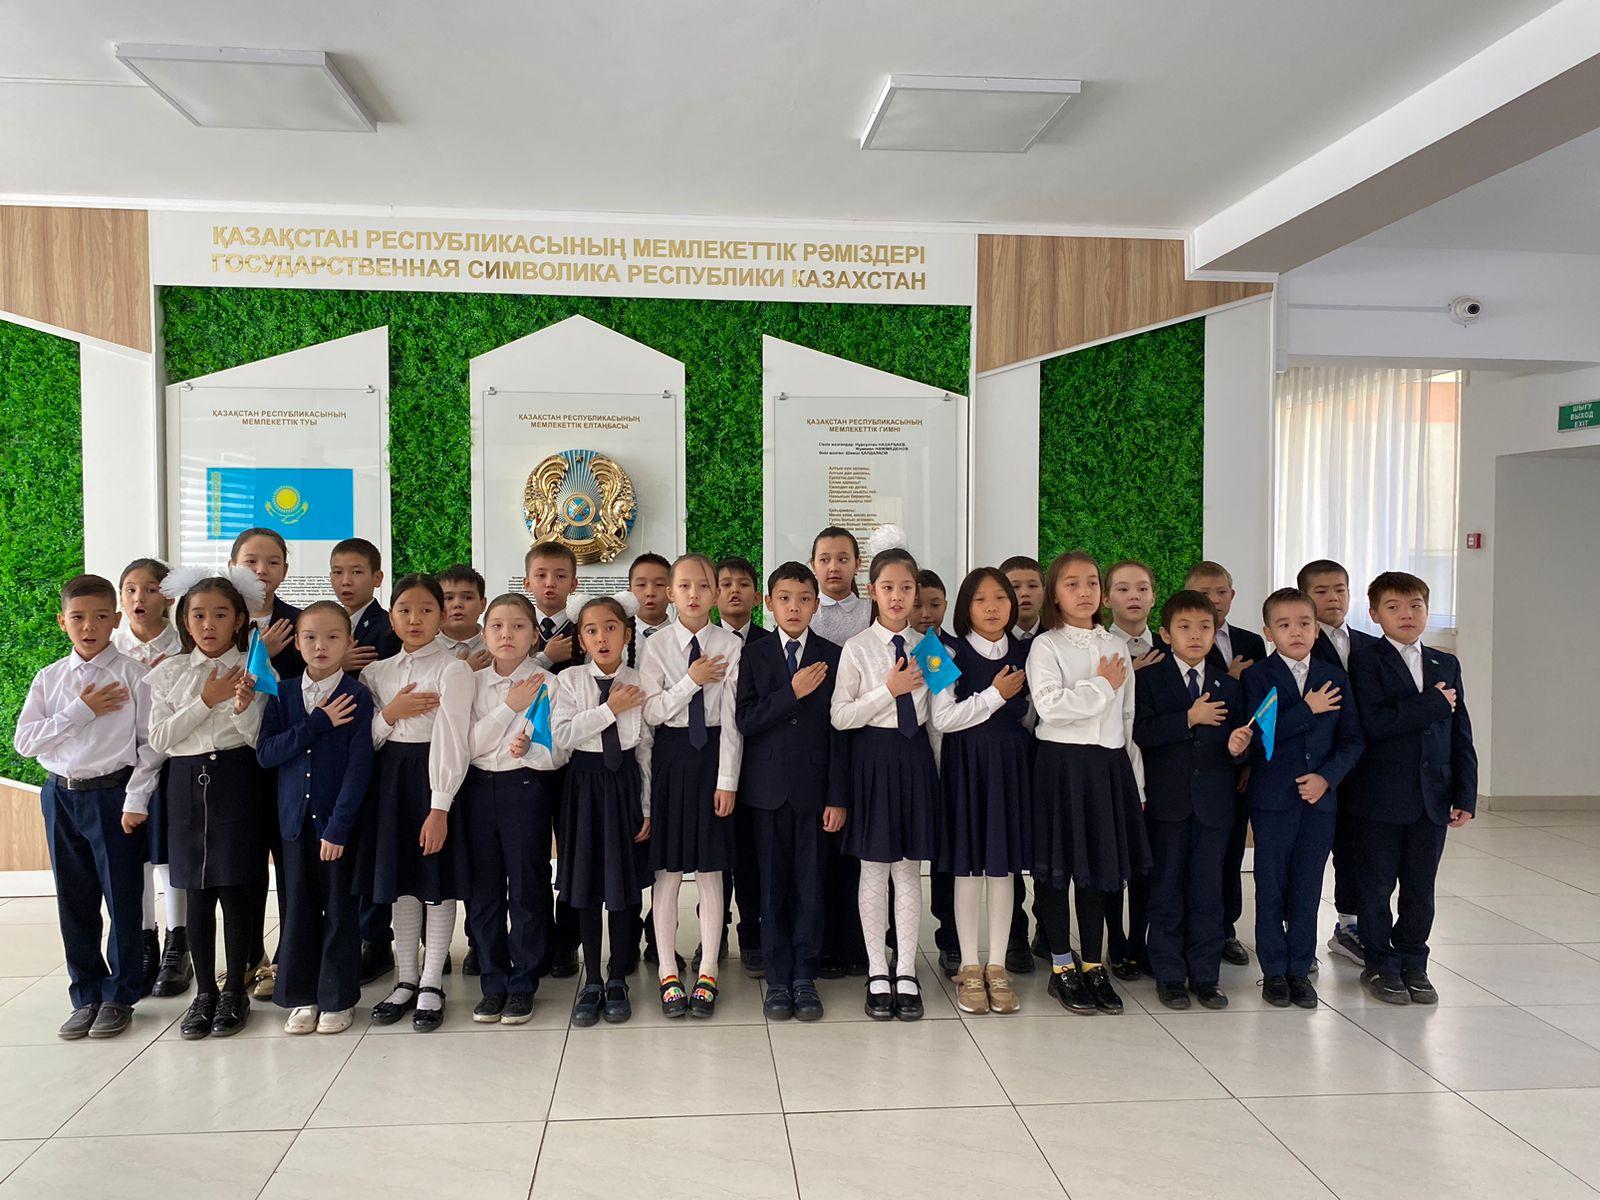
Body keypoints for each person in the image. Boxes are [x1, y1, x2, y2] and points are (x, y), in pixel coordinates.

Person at [14, 574, 162, 1040]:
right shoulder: (50, 679)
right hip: (60, 795)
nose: (89, 626)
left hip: (113, 797)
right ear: (62, 622)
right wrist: (81, 710)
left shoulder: (135, 676)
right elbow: (25, 742)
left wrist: (136, 799)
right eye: (78, 617)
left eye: (100, 616)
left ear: (116, 619)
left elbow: (151, 747)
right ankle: (86, 994)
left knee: (122, 897)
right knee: (73, 899)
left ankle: (120, 995)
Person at [146, 568, 270, 1039]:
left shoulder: (256, 669)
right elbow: (161, 738)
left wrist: (240, 707)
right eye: (198, 615)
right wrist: (205, 699)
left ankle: (235, 989)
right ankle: (203, 994)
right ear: (185, 620)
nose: (209, 624)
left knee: (237, 888)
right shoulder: (171, 672)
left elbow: (258, 740)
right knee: (195, 891)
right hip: (184, 783)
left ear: (239, 620)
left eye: (220, 614)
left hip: (238, 779)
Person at [1345, 572, 1477, 1005]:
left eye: (1416, 605)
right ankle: (1379, 964)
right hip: (1379, 797)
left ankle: (1413, 962)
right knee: (1377, 885)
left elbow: (1460, 733)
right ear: (1374, 614)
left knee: (1421, 887)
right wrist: (1432, 703)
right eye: (1394, 607)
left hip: (1432, 797)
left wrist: (1465, 793)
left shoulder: (1445, 663)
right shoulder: (1366, 661)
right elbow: (1375, 723)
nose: (1407, 614)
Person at [1029, 551, 1148, 1016]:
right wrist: (1100, 685)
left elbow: (1127, 717)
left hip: (1107, 768)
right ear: (1055, 595)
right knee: (1058, 870)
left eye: (1092, 583)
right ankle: (1062, 964)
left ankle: (1095, 964)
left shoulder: (1115, 645)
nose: (1084, 592)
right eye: (1072, 584)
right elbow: (1050, 706)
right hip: (1062, 767)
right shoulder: (1047, 645)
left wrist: (1135, 783)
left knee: (1098, 870)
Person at [354, 574, 474, 1032]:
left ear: (441, 616)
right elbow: (363, 741)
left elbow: (454, 738)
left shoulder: (452, 669)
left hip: (434, 778)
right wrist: (391, 713)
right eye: (404, 610)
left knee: (434, 880)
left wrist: (440, 805)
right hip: (390, 782)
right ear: (391, 617)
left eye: (426, 610)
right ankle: (405, 978)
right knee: (401, 880)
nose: (415, 619)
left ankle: (431, 981)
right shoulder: (375, 673)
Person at [830, 535, 939, 1021]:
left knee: (909, 869)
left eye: (906, 588)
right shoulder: (856, 648)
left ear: (917, 592)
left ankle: (907, 969)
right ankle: (878, 968)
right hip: (872, 760)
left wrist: (941, 775)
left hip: (915, 761)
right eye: (888, 587)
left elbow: (940, 721)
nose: (897, 596)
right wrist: (888, 690)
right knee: (874, 868)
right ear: (872, 591)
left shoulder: (931, 650)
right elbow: (840, 716)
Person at [735, 562, 848, 1021]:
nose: (794, 607)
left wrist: (837, 796)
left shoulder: (833, 654)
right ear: (769, 603)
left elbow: (840, 732)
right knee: (771, 888)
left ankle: (805, 975)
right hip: (765, 794)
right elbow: (745, 720)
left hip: (815, 794)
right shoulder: (754, 654)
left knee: (810, 887)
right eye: (784, 598)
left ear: (816, 604)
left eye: (803, 599)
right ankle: (778, 977)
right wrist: (792, 693)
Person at [254, 601, 374, 1034]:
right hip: (293, 823)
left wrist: (339, 826)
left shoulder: (357, 695)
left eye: (332, 637)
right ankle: (301, 995)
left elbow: (359, 768)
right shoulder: (282, 692)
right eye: (310, 637)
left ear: (349, 642)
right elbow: (266, 753)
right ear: (298, 644)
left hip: (338, 825)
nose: (320, 645)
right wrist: (317, 722)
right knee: (298, 908)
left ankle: (338, 998)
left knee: (340, 909)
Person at [1242, 587, 1365, 1009]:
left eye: (1304, 624)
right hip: (1272, 799)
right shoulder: (1258, 677)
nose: (1295, 632)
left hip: (1319, 802)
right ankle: (1274, 971)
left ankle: (1299, 969)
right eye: (1284, 625)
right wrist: (1307, 710)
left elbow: (1352, 740)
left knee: (1308, 887)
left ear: (1316, 630)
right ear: (1268, 632)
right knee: (1270, 886)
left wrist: (1326, 779)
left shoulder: (1334, 677)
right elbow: (1259, 739)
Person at [1133, 591, 1251, 1011]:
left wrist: (1239, 749)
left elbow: (1244, 744)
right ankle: (1169, 975)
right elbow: (1140, 733)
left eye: (1204, 627)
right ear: (1165, 634)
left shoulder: (1229, 686)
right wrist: (1187, 718)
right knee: (1166, 890)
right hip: (1166, 805)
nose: (1195, 635)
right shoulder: (1148, 680)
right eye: (1184, 627)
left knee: (1208, 892)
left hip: (1214, 807)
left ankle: (1206, 976)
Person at [640, 553, 743, 1018]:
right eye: (684, 586)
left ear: (716, 593)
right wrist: (691, 681)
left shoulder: (731, 644)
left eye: (703, 586)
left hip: (713, 757)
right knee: (666, 871)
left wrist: (727, 780)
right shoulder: (656, 646)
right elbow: (651, 710)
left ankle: (708, 971)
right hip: (671, 758)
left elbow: (734, 720)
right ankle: (667, 970)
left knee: (709, 869)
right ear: (670, 594)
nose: (694, 594)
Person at [931, 567, 1032, 1015]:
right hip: (965, 768)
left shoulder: (1030, 650)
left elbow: (1032, 715)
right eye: (980, 599)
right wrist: (994, 695)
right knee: (967, 868)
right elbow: (942, 718)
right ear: (965, 607)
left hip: (1011, 768)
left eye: (1001, 598)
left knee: (1003, 868)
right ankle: (969, 965)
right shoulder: (938, 651)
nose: (992, 607)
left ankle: (998, 966)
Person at [552, 594, 653, 1027]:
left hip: (624, 783)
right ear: (581, 640)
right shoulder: (569, 681)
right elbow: (563, 736)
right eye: (591, 631)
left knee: (623, 884)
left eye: (610, 628)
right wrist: (610, 709)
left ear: (627, 634)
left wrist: (646, 805)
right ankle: (591, 978)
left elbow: (645, 749)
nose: (602, 637)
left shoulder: (641, 680)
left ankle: (617, 978)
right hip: (584, 786)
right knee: (588, 884)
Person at [464, 594, 563, 1024]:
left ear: (535, 634)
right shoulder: (470, 682)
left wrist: (531, 750)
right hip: (476, 789)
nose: (507, 634)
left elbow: (557, 750)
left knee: (527, 886)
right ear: (484, 634)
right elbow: (468, 746)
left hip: (524, 789)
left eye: (519, 626)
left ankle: (523, 981)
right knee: (483, 891)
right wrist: (509, 707)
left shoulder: (549, 683)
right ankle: (493, 982)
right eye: (498, 626)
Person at [1179, 560, 1267, 968]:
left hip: (1237, 758)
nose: (1213, 600)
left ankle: (1225, 929)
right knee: (1186, 857)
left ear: (1232, 595)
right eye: (1203, 593)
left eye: (1221, 592)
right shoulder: (1178, 637)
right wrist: (1227, 677)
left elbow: (1259, 702)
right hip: (1191, 764)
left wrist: (1247, 760)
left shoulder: (1251, 640)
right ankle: (1185, 929)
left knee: (1228, 853)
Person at [112, 557, 191, 997]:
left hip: (170, 764)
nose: (139, 598)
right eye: (130, 589)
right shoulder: (111, 648)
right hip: (119, 768)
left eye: (150, 588)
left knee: (168, 855)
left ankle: (179, 944)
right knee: (133, 858)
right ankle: (145, 940)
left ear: (169, 598)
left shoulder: (184, 646)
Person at [230, 527, 303, 1000]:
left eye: (273, 562)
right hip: (232, 763)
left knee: (289, 861)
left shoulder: (300, 622)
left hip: (286, 758)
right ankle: (246, 956)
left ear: (285, 570)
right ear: (232, 565)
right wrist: (261, 656)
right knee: (243, 863)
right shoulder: (217, 617)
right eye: (251, 561)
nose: (261, 570)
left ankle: (287, 958)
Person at [1298, 558, 1379, 967]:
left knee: (1356, 852)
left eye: (1340, 589)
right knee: (1307, 859)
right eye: (1321, 591)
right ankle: (1298, 942)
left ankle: (1349, 926)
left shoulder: (1371, 645)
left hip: (1362, 769)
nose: (1333, 598)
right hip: (1314, 769)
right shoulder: (1299, 645)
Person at [331, 536, 403, 984]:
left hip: (377, 749)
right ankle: (344, 935)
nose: (346, 580)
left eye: (356, 572)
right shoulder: (322, 622)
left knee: (372, 849)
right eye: (338, 572)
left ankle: (375, 940)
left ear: (376, 578)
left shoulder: (389, 628)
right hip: (330, 752)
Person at [808, 526, 870, 979]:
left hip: (866, 743)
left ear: (857, 565)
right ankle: (824, 944)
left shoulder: (874, 611)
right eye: (825, 559)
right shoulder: (801, 610)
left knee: (862, 851)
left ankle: (862, 943)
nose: (834, 567)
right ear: (813, 565)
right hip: (816, 744)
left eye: (843, 558)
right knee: (822, 850)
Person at [1101, 559, 1165, 981]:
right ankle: (1117, 942)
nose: (1133, 597)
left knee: (1148, 863)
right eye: (1122, 589)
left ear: (1153, 596)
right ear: (1107, 599)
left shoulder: (1170, 645)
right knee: (1111, 861)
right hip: (1111, 768)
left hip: (1159, 772)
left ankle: (1142, 942)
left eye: (1142, 588)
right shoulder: (1099, 647)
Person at [525, 540, 586, 977]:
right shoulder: (514, 626)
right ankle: (535, 939)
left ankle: (567, 942)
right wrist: (545, 658)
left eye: (560, 576)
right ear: (528, 581)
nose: (550, 583)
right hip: (524, 760)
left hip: (574, 762)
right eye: (542, 575)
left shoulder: (586, 630)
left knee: (572, 854)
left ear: (574, 583)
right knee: (527, 854)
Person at [715, 554, 771, 976]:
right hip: (714, 767)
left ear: (756, 596)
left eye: (743, 584)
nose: (734, 590)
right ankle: (714, 934)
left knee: (752, 859)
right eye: (725, 584)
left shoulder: (770, 645)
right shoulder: (704, 644)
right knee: (715, 858)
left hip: (760, 769)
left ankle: (752, 934)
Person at [1000, 554, 1046, 974]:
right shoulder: (993, 643)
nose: (1024, 594)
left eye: (1032, 585)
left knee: (1049, 845)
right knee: (1009, 846)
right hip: (1006, 758)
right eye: (1014, 587)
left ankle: (1048, 931)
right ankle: (1014, 935)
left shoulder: (1058, 639)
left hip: (1051, 758)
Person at [436, 563, 492, 669]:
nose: (457, 604)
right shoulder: (426, 649)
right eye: (448, 598)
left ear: (482, 604)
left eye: (467, 598)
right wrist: (465, 669)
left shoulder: (496, 647)